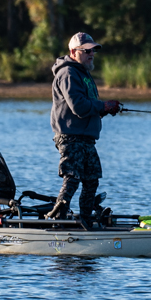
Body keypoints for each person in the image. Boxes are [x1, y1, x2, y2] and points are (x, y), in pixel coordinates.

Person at [47, 32, 121, 224]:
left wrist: (105, 109)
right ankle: (58, 219)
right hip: (71, 137)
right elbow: (79, 107)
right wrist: (102, 106)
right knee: (72, 177)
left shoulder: (83, 73)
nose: (91, 54)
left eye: (93, 50)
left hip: (86, 138)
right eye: (86, 51)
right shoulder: (68, 73)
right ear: (73, 52)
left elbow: (89, 107)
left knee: (91, 180)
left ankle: (86, 221)